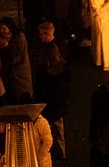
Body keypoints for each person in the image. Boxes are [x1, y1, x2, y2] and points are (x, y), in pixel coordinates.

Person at [34, 22, 70, 160]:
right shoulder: (60, 63)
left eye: (42, 33)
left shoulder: (46, 64)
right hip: (57, 99)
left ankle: (57, 151)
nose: (40, 36)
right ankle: (59, 151)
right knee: (56, 126)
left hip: (51, 99)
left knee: (53, 127)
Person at [0, 17, 32, 102]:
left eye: (4, 28)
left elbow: (19, 56)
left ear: (10, 28)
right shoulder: (1, 38)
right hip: (9, 74)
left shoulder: (20, 37)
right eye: (0, 28)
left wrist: (6, 45)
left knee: (22, 96)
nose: (1, 30)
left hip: (20, 73)